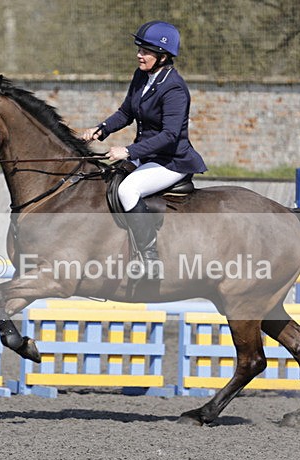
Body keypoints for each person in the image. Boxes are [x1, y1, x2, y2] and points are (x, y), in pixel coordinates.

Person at [82, 20, 207, 279]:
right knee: (108, 179)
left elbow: (170, 135)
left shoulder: (174, 88)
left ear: (163, 56)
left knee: (129, 189)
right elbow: (126, 112)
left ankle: (151, 260)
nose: (139, 54)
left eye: (146, 51)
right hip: (148, 157)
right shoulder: (142, 76)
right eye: (139, 49)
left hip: (171, 161)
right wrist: (101, 129)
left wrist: (128, 151)